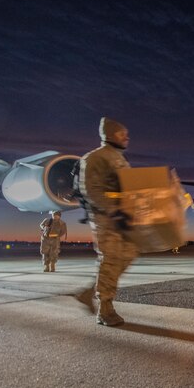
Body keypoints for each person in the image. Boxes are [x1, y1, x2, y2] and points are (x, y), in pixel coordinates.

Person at [74, 117, 139, 326]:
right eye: (122, 134)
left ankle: (90, 292)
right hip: (105, 217)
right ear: (111, 135)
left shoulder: (118, 158)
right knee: (110, 258)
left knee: (128, 254)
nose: (127, 137)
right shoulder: (95, 158)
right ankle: (105, 308)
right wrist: (112, 210)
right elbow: (90, 190)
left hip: (122, 217)